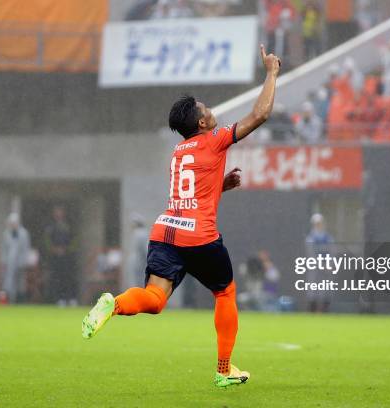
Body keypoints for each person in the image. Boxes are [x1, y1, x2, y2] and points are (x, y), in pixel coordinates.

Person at [82, 44, 282, 388]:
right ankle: (223, 370)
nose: (211, 110)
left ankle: (112, 305)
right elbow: (259, 115)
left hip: (165, 231)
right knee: (225, 293)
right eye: (206, 109)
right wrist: (272, 73)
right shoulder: (214, 140)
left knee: (155, 299)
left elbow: (191, 194)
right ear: (202, 122)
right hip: (199, 236)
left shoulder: (179, 151)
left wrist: (221, 187)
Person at [44, 205, 78, 306]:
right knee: (57, 278)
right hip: (55, 258)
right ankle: (59, 298)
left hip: (68, 257)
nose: (58, 214)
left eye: (60, 211)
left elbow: (75, 240)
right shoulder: (50, 226)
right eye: (56, 212)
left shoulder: (69, 225)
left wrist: (66, 249)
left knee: (69, 277)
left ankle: (71, 298)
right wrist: (54, 249)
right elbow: (46, 241)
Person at [0, 213, 30, 303]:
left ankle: (20, 300)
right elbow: (3, 249)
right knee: (8, 281)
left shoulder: (24, 233)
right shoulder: (6, 234)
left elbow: (26, 249)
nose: (12, 225)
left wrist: (24, 261)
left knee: (20, 282)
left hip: (20, 261)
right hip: (9, 261)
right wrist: (3, 261)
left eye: (14, 223)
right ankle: (9, 299)